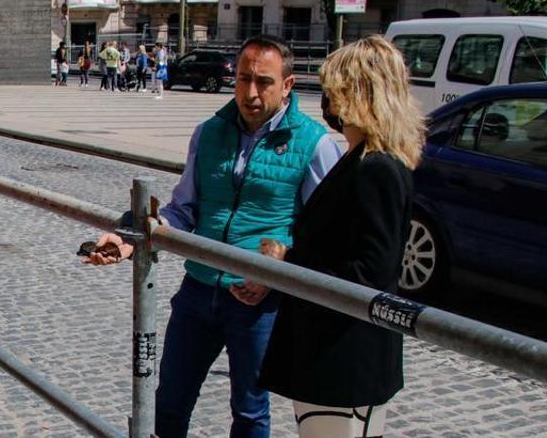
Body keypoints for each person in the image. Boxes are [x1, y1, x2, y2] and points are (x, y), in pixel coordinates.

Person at [86, 34, 343, 438]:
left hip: (259, 303)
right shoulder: (209, 133)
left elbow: (328, 233)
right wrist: (127, 241)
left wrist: (276, 271)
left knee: (250, 411)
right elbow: (182, 210)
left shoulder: (315, 145)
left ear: (288, 86)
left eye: (264, 81)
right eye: (243, 79)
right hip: (199, 292)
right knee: (168, 402)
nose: (251, 92)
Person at [256, 35, 425, 438]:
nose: (328, 101)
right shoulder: (361, 157)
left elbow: (369, 271)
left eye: (334, 91)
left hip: (345, 358)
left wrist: (288, 264)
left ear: (358, 95)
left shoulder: (376, 168)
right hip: (334, 351)